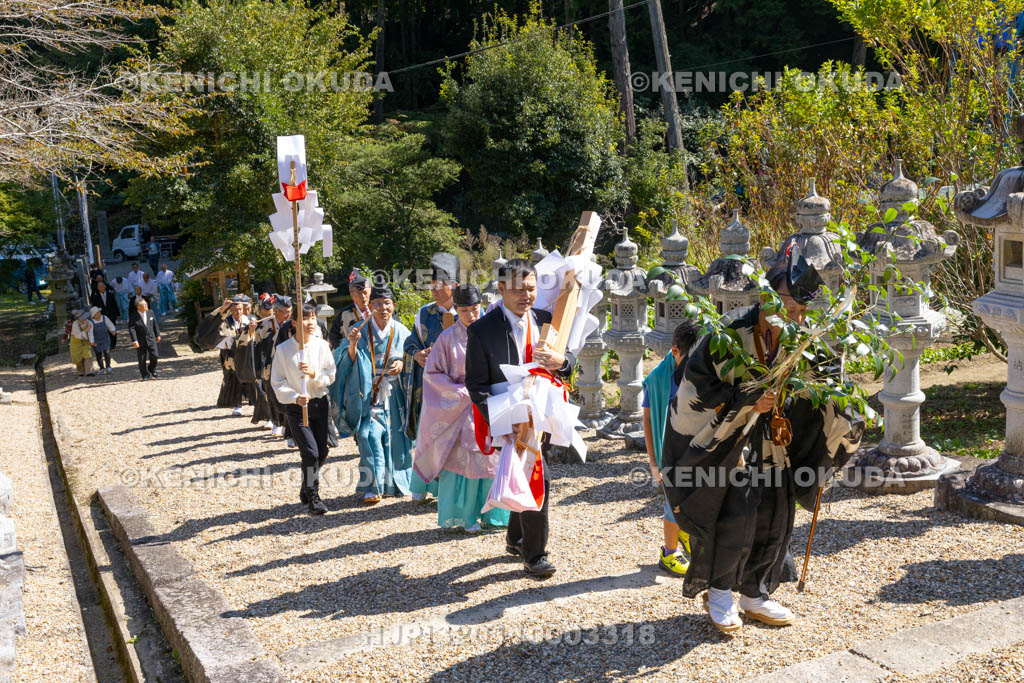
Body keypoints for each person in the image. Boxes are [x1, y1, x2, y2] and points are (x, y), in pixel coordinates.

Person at [663, 250, 864, 634]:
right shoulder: (728, 332)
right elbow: (697, 384)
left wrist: (843, 407)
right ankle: (720, 592)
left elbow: (827, 383)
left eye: (800, 307)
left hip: (777, 438)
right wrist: (746, 399)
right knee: (736, 511)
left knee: (774, 512)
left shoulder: (804, 338)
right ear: (766, 297)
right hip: (729, 439)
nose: (793, 314)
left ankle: (756, 592)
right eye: (786, 303)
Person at [465, 258, 576, 579]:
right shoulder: (481, 331)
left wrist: (562, 360)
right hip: (504, 415)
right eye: (518, 290)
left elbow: (567, 360)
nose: (526, 296)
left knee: (523, 473)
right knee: (537, 476)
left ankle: (515, 538)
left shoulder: (545, 320)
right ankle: (535, 555)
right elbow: (475, 384)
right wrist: (504, 418)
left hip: (541, 411)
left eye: (531, 288)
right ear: (501, 289)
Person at [414, 284, 510, 532]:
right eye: (465, 310)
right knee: (464, 463)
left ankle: (493, 513)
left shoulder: (491, 334)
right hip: (460, 408)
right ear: (456, 310)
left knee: (493, 458)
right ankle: (465, 517)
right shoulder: (447, 339)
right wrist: (463, 394)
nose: (471, 315)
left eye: (475, 309)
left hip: (489, 403)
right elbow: (433, 374)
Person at [333, 284, 414, 504]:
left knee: (397, 438)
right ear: (369, 306)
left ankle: (397, 483)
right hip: (368, 392)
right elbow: (344, 361)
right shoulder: (359, 330)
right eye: (377, 304)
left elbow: (412, 356)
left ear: (393, 305)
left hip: (395, 392)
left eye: (386, 303)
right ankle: (373, 485)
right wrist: (352, 345)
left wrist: (401, 362)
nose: (382, 308)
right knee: (369, 437)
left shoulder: (402, 331)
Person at [642, 320, 699, 577]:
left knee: (692, 497)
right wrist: (654, 462)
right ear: (675, 352)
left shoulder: (700, 372)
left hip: (694, 447)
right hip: (670, 450)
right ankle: (669, 553)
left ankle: (684, 534)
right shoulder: (657, 380)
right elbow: (648, 419)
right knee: (672, 502)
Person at [271, 302, 337, 515]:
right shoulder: (283, 350)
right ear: (294, 322)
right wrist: (294, 396)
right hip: (297, 408)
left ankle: (306, 486)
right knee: (310, 453)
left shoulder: (321, 346)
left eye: (313, 318)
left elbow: (331, 375)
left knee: (322, 451)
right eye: (305, 319)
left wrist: (313, 374)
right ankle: (314, 498)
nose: (310, 323)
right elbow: (277, 381)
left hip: (319, 403)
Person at [405, 252, 459, 502]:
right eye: (432, 286)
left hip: (460, 385)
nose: (435, 291)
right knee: (430, 434)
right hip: (432, 387)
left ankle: (450, 492)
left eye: (441, 286)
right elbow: (411, 341)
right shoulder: (424, 313)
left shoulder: (468, 311)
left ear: (455, 286)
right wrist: (417, 354)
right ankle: (422, 485)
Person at [255, 295, 292, 436]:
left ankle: (286, 423)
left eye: (290, 311)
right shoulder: (263, 325)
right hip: (269, 365)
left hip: (288, 364)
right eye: (285, 312)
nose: (288, 315)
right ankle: (275, 421)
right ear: (275, 311)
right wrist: (251, 331)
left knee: (287, 393)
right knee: (271, 394)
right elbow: (256, 347)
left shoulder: (292, 324)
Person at [327, 268, 371, 349]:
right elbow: (334, 336)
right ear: (352, 295)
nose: (363, 297)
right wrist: (345, 351)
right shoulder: (345, 313)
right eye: (358, 293)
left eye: (365, 292)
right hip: (353, 354)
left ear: (370, 291)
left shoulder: (377, 308)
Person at [128, 297, 160, 380]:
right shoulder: (133, 316)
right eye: (145, 304)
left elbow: (155, 324)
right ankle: (144, 374)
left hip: (151, 338)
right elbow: (132, 328)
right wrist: (134, 340)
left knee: (155, 355)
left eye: (146, 303)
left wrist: (158, 335)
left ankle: (152, 369)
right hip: (140, 340)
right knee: (142, 359)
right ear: (139, 306)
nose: (147, 305)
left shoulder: (150, 312)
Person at [89, 306, 117, 375]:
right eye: (97, 313)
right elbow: (90, 332)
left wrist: (113, 330)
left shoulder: (104, 318)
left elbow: (110, 324)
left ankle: (108, 366)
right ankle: (101, 368)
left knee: (107, 353)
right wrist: (92, 341)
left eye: (99, 312)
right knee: (98, 355)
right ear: (94, 315)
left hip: (105, 339)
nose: (99, 313)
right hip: (96, 341)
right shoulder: (91, 322)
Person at [69, 310, 95, 376]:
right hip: (76, 341)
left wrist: (92, 341)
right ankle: (81, 371)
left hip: (86, 341)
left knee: (88, 355)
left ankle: (89, 371)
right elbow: (78, 335)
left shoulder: (89, 323)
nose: (85, 319)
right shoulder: (75, 324)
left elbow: (90, 333)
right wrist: (86, 330)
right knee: (78, 357)